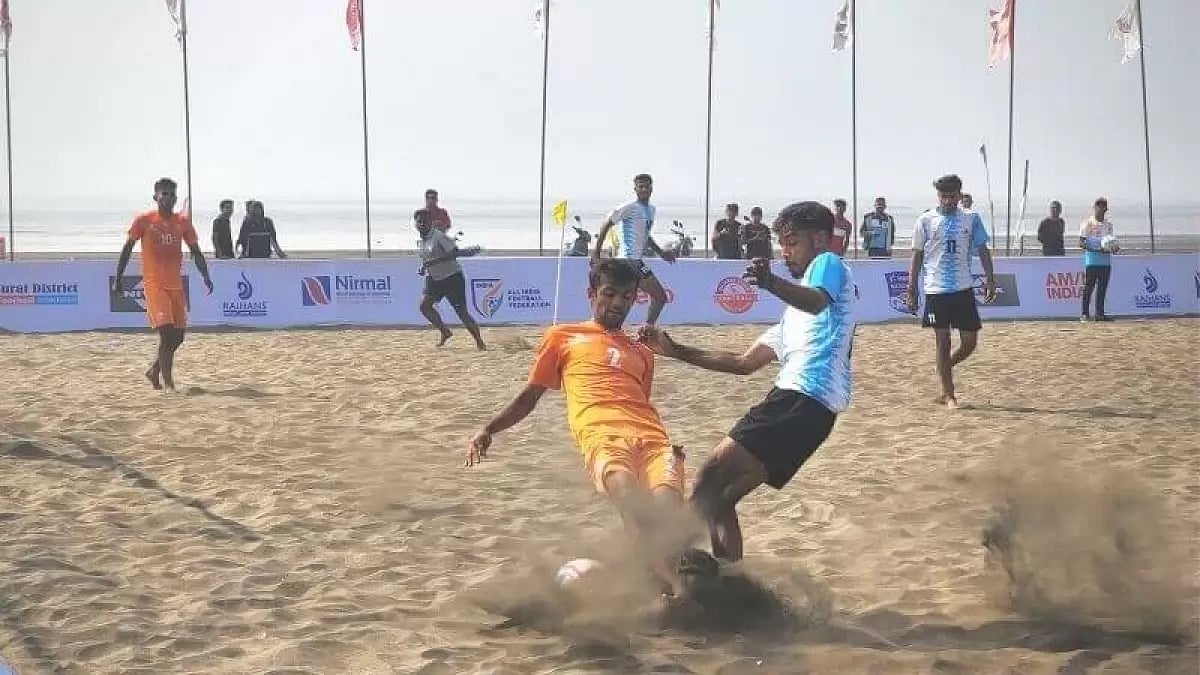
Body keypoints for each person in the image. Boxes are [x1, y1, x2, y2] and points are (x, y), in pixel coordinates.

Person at [639, 201, 856, 563]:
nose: (784, 252)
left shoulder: (827, 264)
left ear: (820, 238)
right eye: (781, 244)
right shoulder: (792, 319)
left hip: (799, 400)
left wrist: (770, 282)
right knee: (720, 499)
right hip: (810, 413)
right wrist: (675, 350)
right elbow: (742, 363)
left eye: (792, 242)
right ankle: (729, 583)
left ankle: (661, 565)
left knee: (708, 479)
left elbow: (817, 301)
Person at [467, 258, 689, 595]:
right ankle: (664, 590)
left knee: (668, 520)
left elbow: (640, 402)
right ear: (592, 293)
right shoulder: (562, 337)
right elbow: (530, 396)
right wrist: (489, 428)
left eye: (626, 297)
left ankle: (660, 584)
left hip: (656, 442)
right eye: (609, 293)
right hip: (603, 438)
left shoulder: (643, 352)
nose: (617, 303)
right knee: (633, 505)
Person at [904, 174, 996, 410]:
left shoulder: (971, 219)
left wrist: (990, 279)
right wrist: (911, 289)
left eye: (952, 196)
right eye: (944, 196)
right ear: (938, 196)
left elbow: (983, 250)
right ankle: (949, 394)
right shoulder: (925, 220)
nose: (948, 201)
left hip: (963, 288)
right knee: (942, 341)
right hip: (936, 290)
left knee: (969, 343)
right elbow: (917, 254)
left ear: (959, 195)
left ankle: (945, 366)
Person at [113, 178, 214, 391]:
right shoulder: (144, 220)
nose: (167, 198)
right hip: (153, 283)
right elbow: (128, 248)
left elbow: (195, 251)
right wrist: (119, 278)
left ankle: (154, 371)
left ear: (176, 198)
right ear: (155, 197)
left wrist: (205, 275)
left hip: (175, 284)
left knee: (178, 337)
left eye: (171, 194)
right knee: (166, 333)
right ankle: (169, 384)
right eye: (163, 194)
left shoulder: (182, 222)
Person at [593, 174, 676, 326]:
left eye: (647, 186)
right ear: (635, 189)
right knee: (658, 297)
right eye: (641, 187)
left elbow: (645, 235)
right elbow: (607, 223)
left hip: (636, 261)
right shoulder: (629, 207)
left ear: (652, 188)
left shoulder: (651, 209)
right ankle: (644, 332)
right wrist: (596, 252)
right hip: (627, 261)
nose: (644, 189)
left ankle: (643, 331)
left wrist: (661, 253)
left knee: (633, 299)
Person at [416, 209, 486, 350]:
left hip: (452, 277)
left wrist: (433, 262)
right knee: (424, 306)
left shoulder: (439, 237)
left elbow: (453, 253)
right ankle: (445, 332)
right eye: (419, 221)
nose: (422, 224)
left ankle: (480, 342)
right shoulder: (421, 241)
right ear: (416, 224)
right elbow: (427, 259)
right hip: (434, 278)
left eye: (425, 221)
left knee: (461, 312)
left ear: (430, 222)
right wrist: (424, 267)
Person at [1079, 197, 1116, 322]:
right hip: (1092, 261)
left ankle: (1100, 314)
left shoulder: (1108, 225)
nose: (1101, 209)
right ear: (1094, 207)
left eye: (1103, 206)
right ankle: (1084, 314)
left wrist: (1114, 248)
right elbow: (1081, 243)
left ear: (1106, 209)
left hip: (1105, 262)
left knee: (1102, 289)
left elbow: (1111, 242)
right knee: (1088, 288)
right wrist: (1096, 249)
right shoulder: (1088, 223)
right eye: (1099, 206)